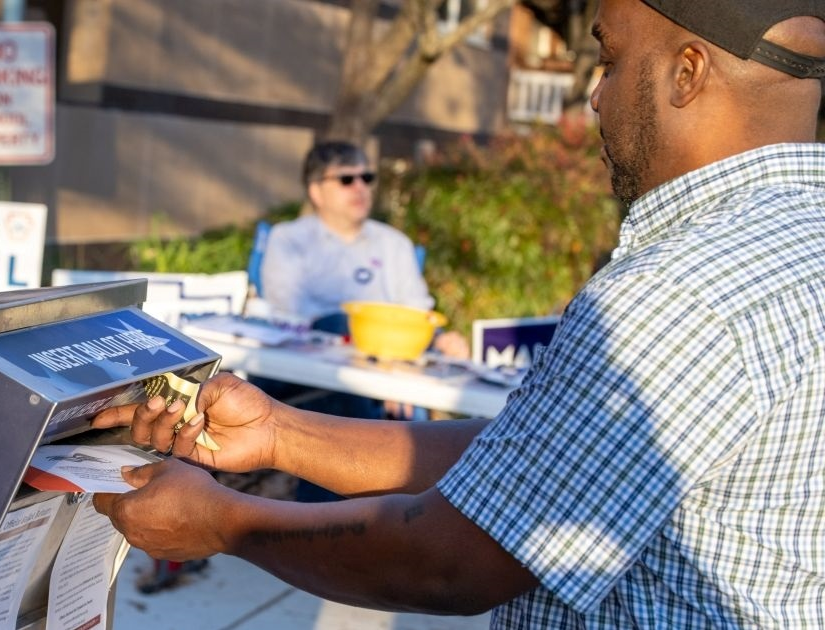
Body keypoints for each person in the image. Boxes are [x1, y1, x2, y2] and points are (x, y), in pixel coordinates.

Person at [92, 0, 825, 626]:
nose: (596, 97)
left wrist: (222, 520)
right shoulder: (794, 242)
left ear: (687, 73)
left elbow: (454, 558)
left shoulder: (680, 288)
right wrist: (280, 432)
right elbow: (539, 459)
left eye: (612, 59)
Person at [259, 140, 469, 359]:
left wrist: (440, 340)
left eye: (366, 178)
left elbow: (417, 312)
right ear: (316, 192)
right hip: (307, 365)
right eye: (346, 179)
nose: (360, 188)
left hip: (387, 365)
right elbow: (290, 314)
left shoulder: (395, 243)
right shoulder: (289, 239)